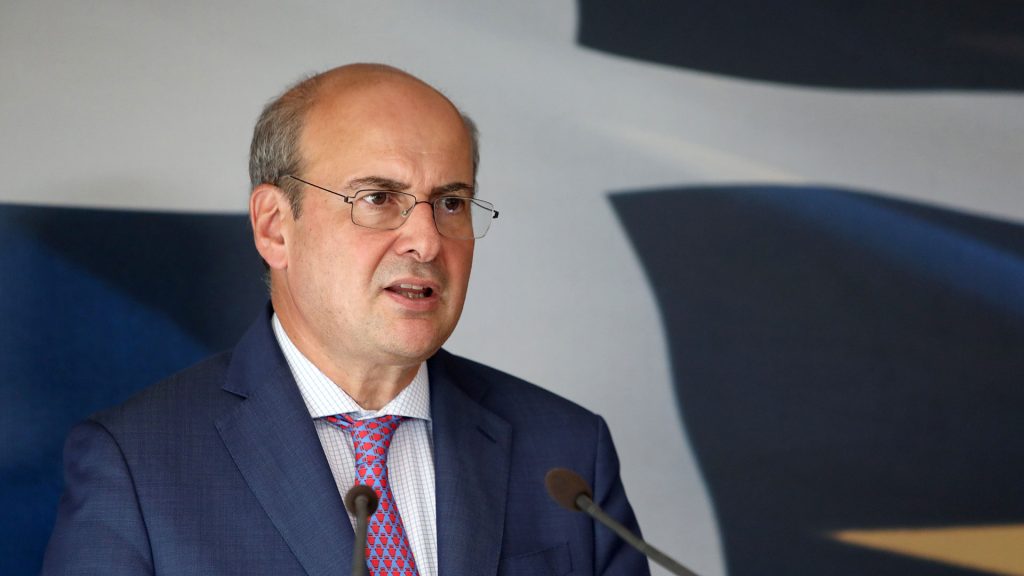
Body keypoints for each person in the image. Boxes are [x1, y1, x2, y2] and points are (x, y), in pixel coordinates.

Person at [42, 63, 649, 576]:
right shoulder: (136, 464)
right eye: (379, 198)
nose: (426, 240)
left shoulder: (568, 453)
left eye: (451, 203)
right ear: (275, 227)